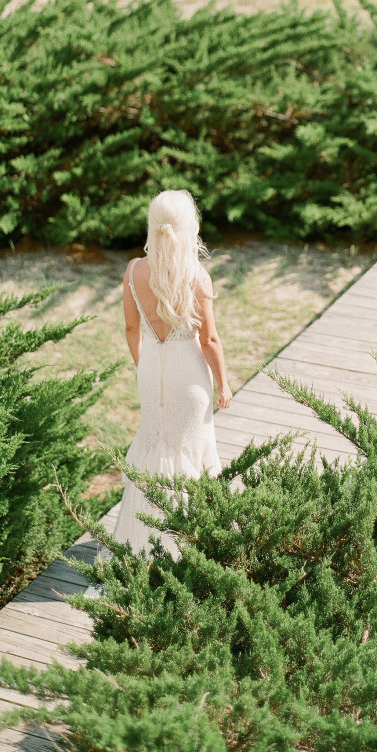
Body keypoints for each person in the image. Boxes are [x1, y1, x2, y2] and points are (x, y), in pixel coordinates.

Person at [111, 189, 232, 554]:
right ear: (189, 228)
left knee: (153, 444)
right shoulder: (197, 277)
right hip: (188, 373)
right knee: (191, 451)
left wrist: (143, 366)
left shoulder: (134, 271)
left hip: (152, 368)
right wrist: (224, 385)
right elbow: (209, 339)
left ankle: (142, 545)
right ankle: (189, 547)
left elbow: (132, 330)